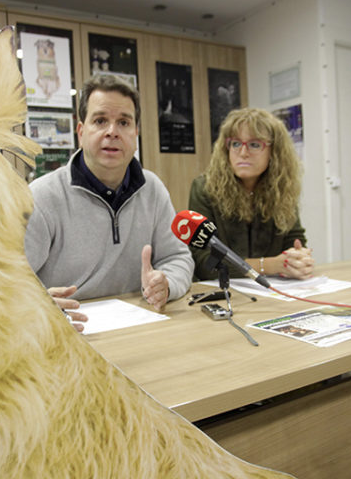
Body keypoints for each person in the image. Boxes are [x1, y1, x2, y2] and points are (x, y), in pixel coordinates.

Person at [25, 74, 194, 330]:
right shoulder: (41, 197)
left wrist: (166, 284)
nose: (112, 132)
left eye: (124, 122)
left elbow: (178, 257)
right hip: (63, 334)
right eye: (100, 120)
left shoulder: (153, 190)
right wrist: (36, 305)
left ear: (136, 133)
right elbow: (2, 282)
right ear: (81, 132)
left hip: (138, 326)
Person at [188, 107, 313, 282]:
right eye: (236, 143)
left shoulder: (282, 188)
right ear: (227, 148)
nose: (243, 153)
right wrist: (269, 265)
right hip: (222, 293)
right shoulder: (204, 188)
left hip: (274, 293)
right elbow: (204, 262)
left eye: (254, 144)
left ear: (274, 152)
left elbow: (294, 240)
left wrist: (298, 260)